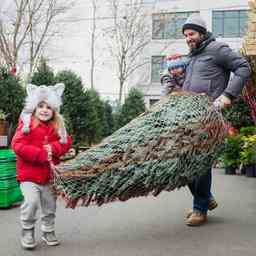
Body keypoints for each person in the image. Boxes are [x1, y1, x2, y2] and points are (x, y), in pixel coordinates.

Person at [181, 14, 251, 226]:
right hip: (189, 115)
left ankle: (200, 209)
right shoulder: (193, 56)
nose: (188, 38)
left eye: (191, 34)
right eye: (185, 35)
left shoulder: (217, 49)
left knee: (201, 161)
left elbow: (243, 68)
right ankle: (205, 197)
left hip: (210, 114)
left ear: (202, 33)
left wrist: (228, 95)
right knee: (183, 160)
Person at [11, 83, 72, 249]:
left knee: (50, 207)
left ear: (54, 110)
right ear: (34, 107)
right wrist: (41, 154)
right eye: (40, 106)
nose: (44, 110)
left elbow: (65, 143)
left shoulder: (57, 126)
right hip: (29, 176)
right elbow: (17, 145)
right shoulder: (26, 126)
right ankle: (28, 231)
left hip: (48, 176)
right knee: (30, 203)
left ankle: (48, 230)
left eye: (48, 107)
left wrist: (54, 148)